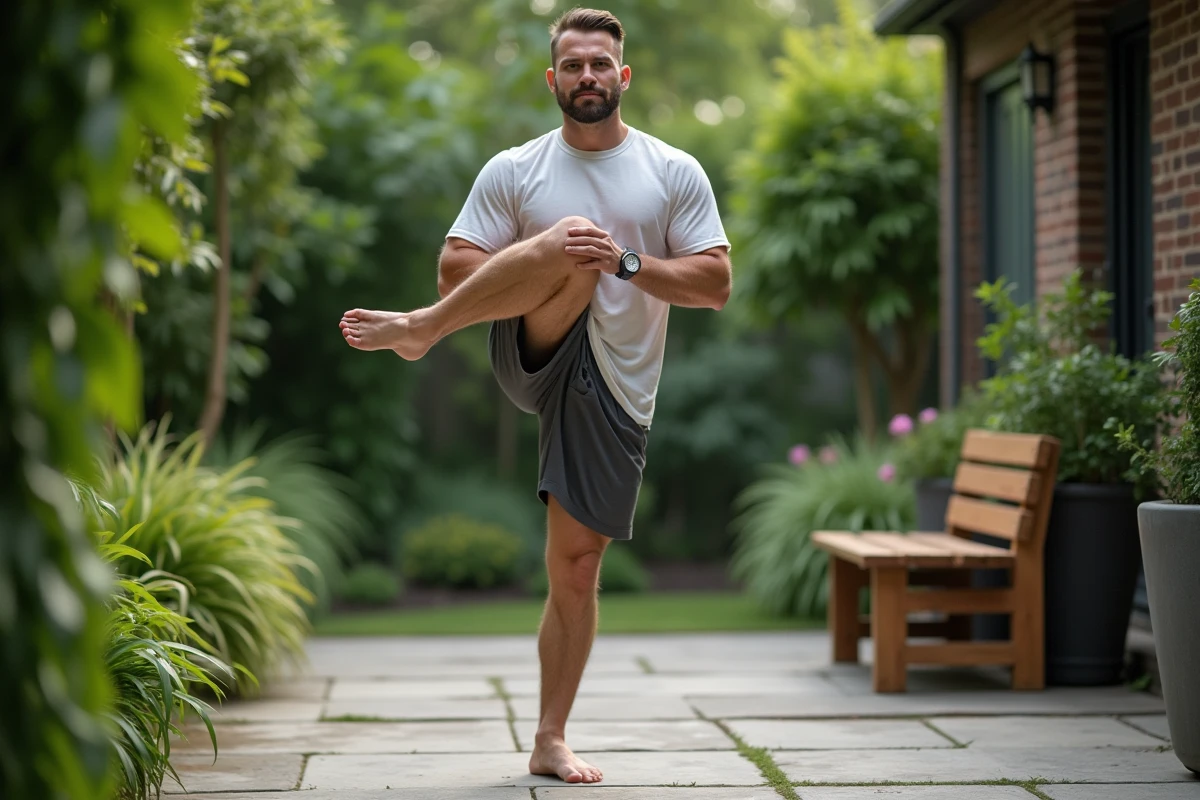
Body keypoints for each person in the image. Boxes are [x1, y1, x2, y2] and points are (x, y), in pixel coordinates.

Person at [338, 6, 731, 785]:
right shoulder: (516, 168)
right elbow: (454, 269)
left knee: (576, 569)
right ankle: (422, 333)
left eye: (600, 64)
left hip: (618, 383)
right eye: (573, 65)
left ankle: (550, 738)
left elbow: (715, 283)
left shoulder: (673, 169)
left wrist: (625, 262)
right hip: (534, 348)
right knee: (568, 242)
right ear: (552, 78)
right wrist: (546, 256)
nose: (588, 76)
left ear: (624, 75)